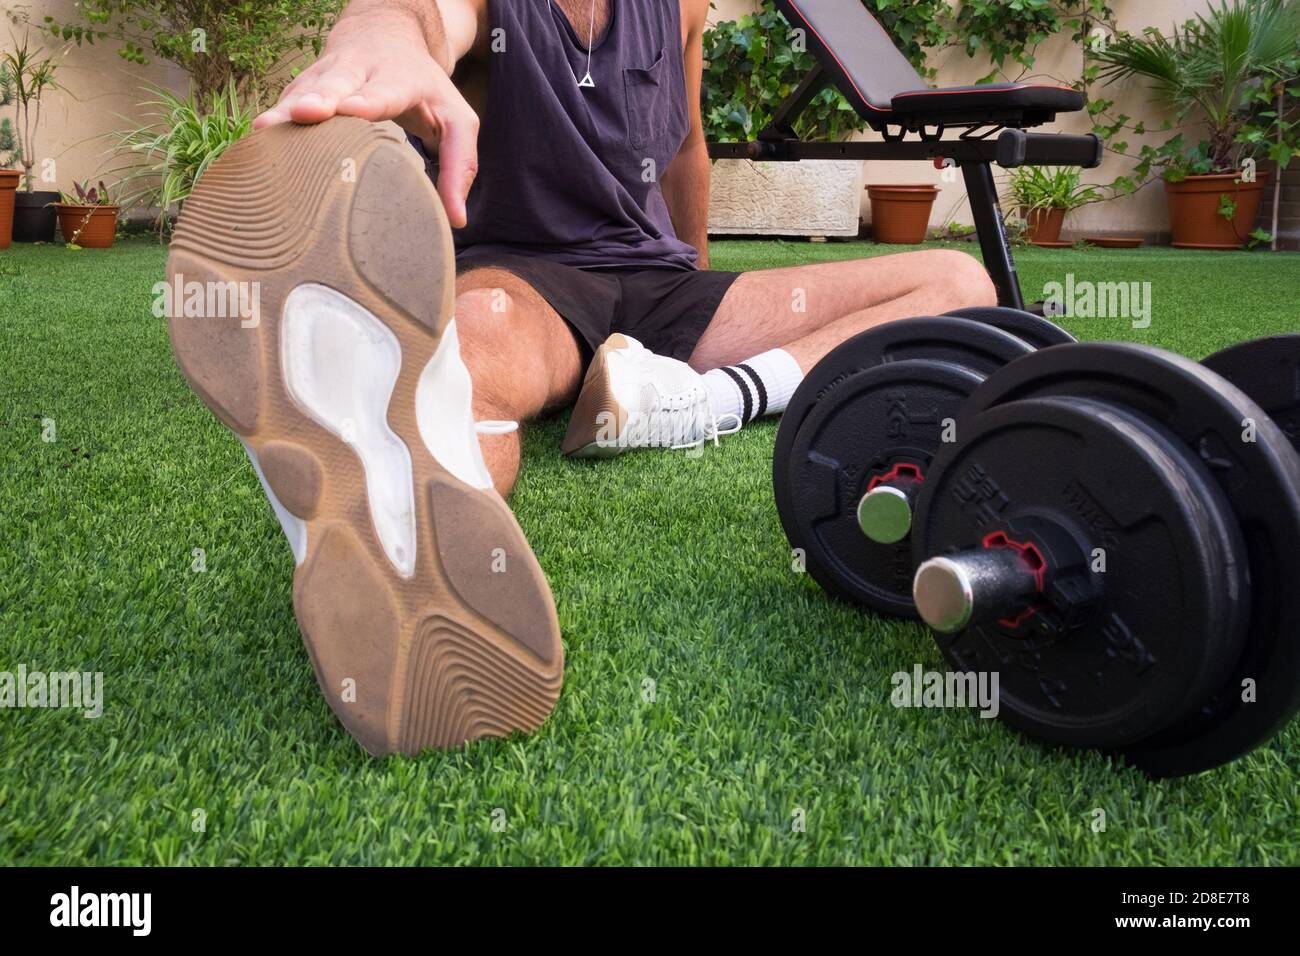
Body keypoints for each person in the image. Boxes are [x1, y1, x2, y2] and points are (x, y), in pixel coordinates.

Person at [167, 0, 997, 755]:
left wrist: (696, 305)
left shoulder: (683, 9)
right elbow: (412, 13)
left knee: (955, 286)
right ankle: (383, 513)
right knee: (464, 365)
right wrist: (375, 42)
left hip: (662, 285)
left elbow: (687, 157)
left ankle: (696, 399)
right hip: (520, 283)